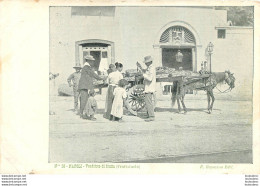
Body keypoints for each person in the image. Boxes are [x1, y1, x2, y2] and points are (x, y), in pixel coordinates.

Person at [78, 55, 106, 119]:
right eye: (92, 61)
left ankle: (84, 113)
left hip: (85, 85)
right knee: (84, 100)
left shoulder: (86, 67)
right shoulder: (87, 67)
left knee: (85, 100)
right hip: (85, 85)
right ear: (89, 61)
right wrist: (101, 78)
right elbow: (93, 74)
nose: (93, 62)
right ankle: (83, 114)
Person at [137, 56, 156, 122]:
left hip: (149, 88)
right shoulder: (149, 68)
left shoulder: (152, 69)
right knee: (148, 102)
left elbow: (150, 78)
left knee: (149, 102)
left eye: (146, 63)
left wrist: (143, 75)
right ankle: (149, 114)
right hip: (148, 87)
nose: (145, 64)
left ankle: (151, 116)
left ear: (150, 62)